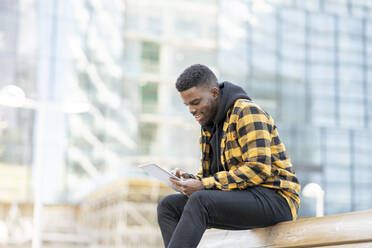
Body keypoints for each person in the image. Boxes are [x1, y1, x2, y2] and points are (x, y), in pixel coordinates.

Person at [157, 64, 300, 248]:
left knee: (200, 200)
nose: (191, 110)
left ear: (215, 93)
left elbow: (258, 169)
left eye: (196, 102)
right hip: (244, 196)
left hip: (276, 199)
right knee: (168, 206)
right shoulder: (209, 126)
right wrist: (189, 179)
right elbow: (213, 176)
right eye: (187, 105)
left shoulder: (247, 112)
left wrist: (203, 185)